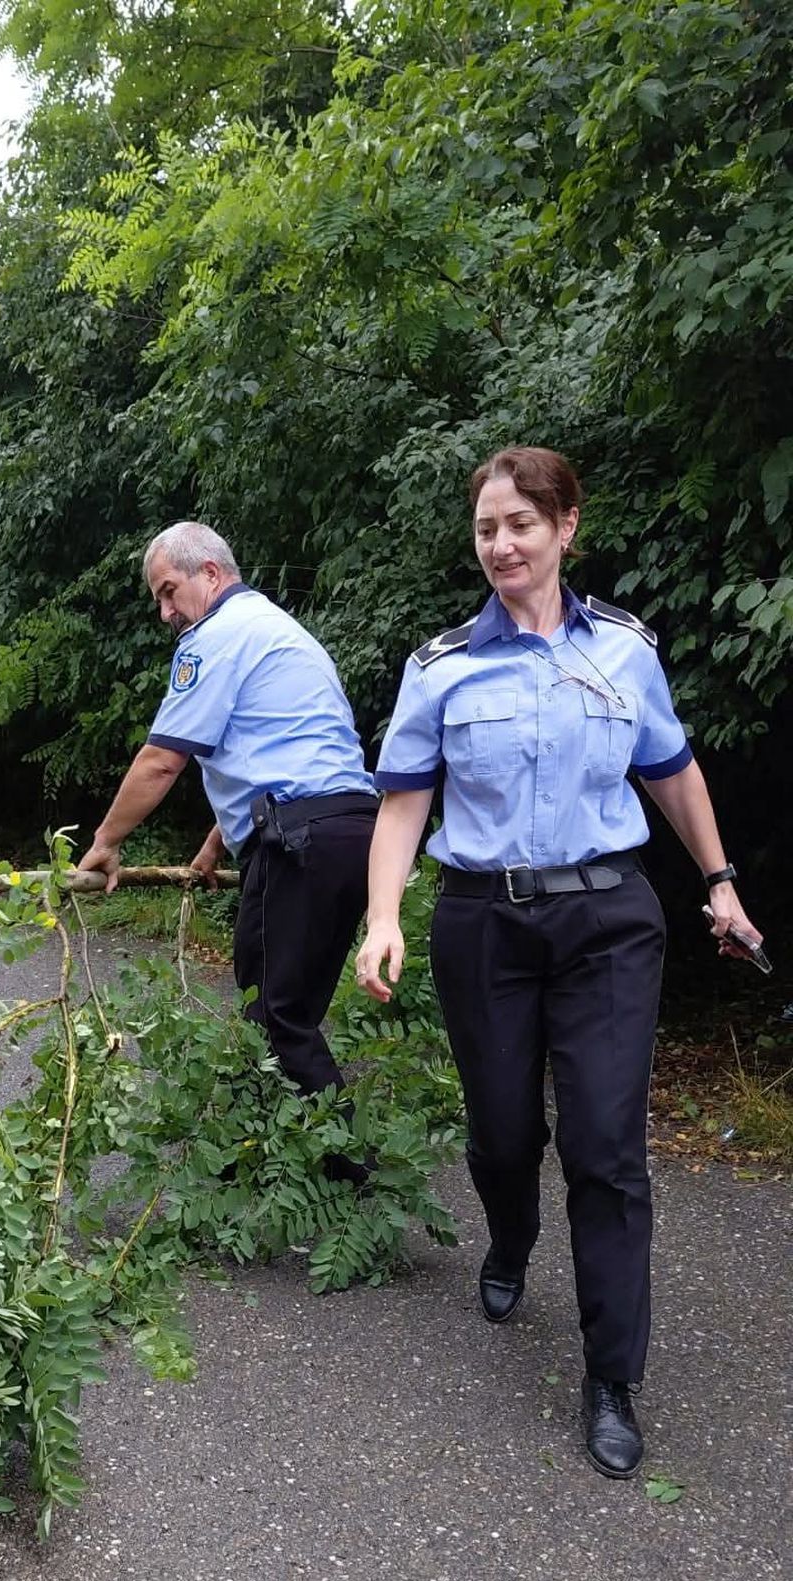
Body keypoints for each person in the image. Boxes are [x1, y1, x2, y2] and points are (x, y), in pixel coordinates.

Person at [355, 445, 764, 1480]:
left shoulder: (624, 652)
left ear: (566, 526)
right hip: (484, 924)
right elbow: (405, 799)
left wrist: (718, 880)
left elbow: (670, 771)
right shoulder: (442, 665)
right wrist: (383, 916)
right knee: (501, 1132)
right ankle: (508, 1234)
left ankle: (611, 1375)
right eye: (487, 528)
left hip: (609, 922)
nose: (500, 544)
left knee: (606, 1148)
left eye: (520, 525)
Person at [78, 521, 379, 1122]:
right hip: (353, 834)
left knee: (274, 1016)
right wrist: (217, 845)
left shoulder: (215, 636)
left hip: (300, 844)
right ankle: (265, 1148)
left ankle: (352, 1174)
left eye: (168, 591)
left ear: (210, 573)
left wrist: (106, 842)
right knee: (281, 1008)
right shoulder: (277, 630)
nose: (166, 612)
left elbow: (163, 760)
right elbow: (278, 754)